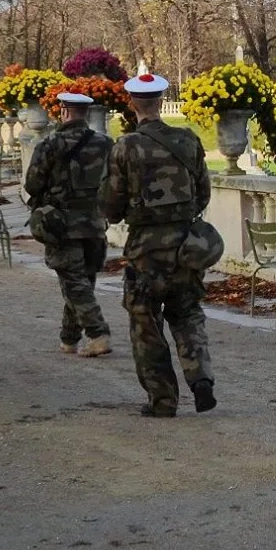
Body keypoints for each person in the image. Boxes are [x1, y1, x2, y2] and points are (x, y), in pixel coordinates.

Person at [102, 72, 222, 417]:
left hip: (146, 252)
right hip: (186, 247)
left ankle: (163, 399)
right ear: (162, 101)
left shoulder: (125, 147)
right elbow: (203, 194)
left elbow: (110, 207)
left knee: (146, 325)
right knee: (187, 314)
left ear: (131, 104)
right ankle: (200, 378)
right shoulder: (187, 140)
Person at [27, 90, 117, 358]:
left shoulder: (50, 145)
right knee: (80, 280)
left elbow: (32, 184)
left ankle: (98, 333)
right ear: (86, 113)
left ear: (64, 112)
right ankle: (69, 337)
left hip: (62, 224)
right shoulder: (106, 144)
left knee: (74, 281)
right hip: (94, 222)